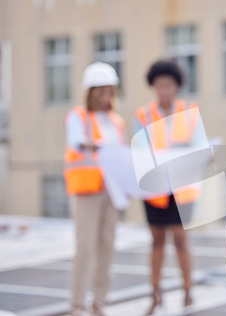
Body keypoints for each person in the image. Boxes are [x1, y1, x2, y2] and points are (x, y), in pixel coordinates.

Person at [134, 59, 203, 315]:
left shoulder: (190, 111)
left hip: (182, 189)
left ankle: (187, 291)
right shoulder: (142, 115)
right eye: (160, 84)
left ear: (176, 86)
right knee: (156, 240)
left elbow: (200, 146)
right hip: (154, 189)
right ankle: (155, 293)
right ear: (153, 86)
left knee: (182, 240)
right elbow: (138, 149)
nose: (164, 89)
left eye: (169, 84)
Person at [64, 62, 126, 316]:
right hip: (87, 191)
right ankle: (76, 305)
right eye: (100, 91)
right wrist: (97, 145)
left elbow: (121, 156)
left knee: (107, 247)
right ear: (90, 92)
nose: (105, 97)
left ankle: (99, 303)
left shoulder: (116, 121)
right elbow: (76, 141)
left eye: (109, 91)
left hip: (111, 192)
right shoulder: (78, 116)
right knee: (85, 248)